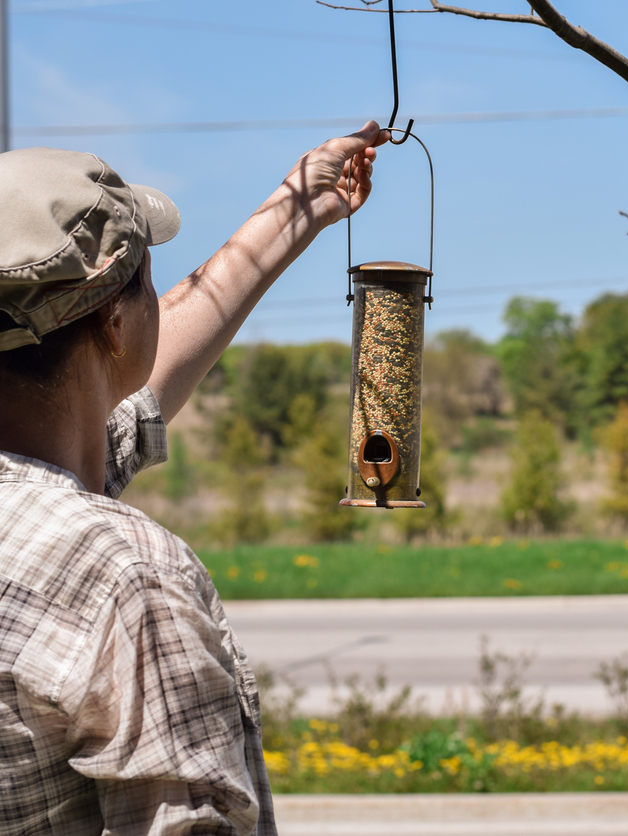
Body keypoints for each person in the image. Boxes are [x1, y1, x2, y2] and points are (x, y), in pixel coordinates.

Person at [0, 122, 390, 834]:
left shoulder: (33, 512)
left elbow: (127, 397)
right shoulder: (123, 576)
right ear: (117, 322)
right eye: (149, 279)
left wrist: (300, 201)